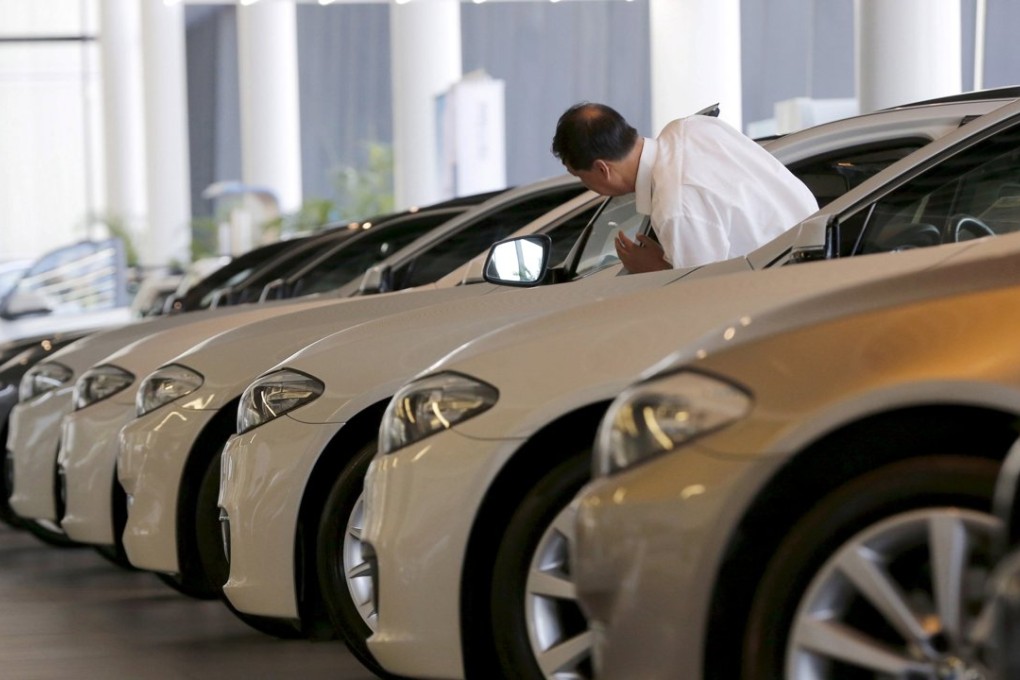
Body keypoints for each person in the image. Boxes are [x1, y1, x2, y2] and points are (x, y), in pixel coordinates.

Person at [550, 102, 818, 273]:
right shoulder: (690, 126)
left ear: (602, 169)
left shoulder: (674, 207)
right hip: (814, 251)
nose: (587, 186)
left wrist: (655, 269)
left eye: (580, 176)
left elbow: (702, 300)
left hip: (783, 289)